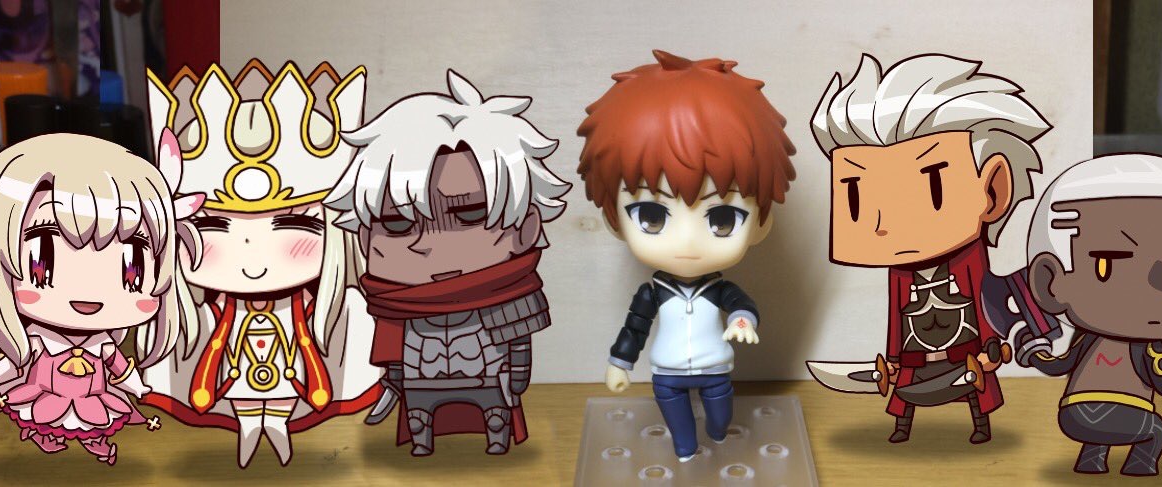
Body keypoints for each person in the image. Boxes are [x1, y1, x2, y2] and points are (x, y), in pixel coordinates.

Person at [139, 60, 382, 467]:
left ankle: (278, 429)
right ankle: (251, 428)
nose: (253, 258)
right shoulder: (194, 316)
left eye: (292, 225)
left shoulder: (339, 314)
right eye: (214, 226)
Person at [807, 53, 1050, 444]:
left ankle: (980, 425)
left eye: (932, 189)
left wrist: (991, 345)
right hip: (915, 345)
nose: (883, 224)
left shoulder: (969, 256)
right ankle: (902, 426)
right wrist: (893, 359)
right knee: (908, 388)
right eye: (854, 198)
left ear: (992, 190)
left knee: (975, 388)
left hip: (966, 344)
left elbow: (983, 299)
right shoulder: (899, 269)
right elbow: (896, 315)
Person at [325, 69, 569, 456]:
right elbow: (392, 356)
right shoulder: (393, 308)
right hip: (421, 387)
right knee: (422, 420)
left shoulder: (512, 298)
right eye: (398, 223)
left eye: (469, 215)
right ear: (367, 239)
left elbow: (518, 345)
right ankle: (424, 444)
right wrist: (395, 380)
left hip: (489, 382)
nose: (427, 245)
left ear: (525, 228)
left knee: (494, 419)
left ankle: (495, 441)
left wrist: (516, 382)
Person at [577, 50, 796, 461]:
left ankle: (715, 433)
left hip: (716, 369)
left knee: (720, 420)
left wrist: (743, 319)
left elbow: (742, 304)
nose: (688, 242)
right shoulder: (652, 293)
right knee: (680, 430)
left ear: (760, 224)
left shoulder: (720, 290)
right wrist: (619, 363)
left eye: (723, 219)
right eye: (652, 216)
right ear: (614, 222)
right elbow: (635, 327)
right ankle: (684, 450)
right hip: (666, 372)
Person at [0, 132, 202, 465]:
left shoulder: (102, 343)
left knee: (94, 421)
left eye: (132, 268)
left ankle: (96, 442)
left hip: (92, 396)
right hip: (46, 392)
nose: (89, 292)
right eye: (43, 261)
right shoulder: (38, 338)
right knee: (45, 417)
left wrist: (139, 389)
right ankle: (46, 437)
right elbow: (12, 362)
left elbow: (119, 367)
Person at [1020, 153, 1162, 476]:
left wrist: (1033, 350)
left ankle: (1091, 460)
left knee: (1102, 433)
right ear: (1051, 283)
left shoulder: (1086, 338)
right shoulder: (1146, 345)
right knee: (1156, 430)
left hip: (1073, 415)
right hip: (1128, 415)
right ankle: (1140, 467)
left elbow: (1058, 364)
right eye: (1108, 263)